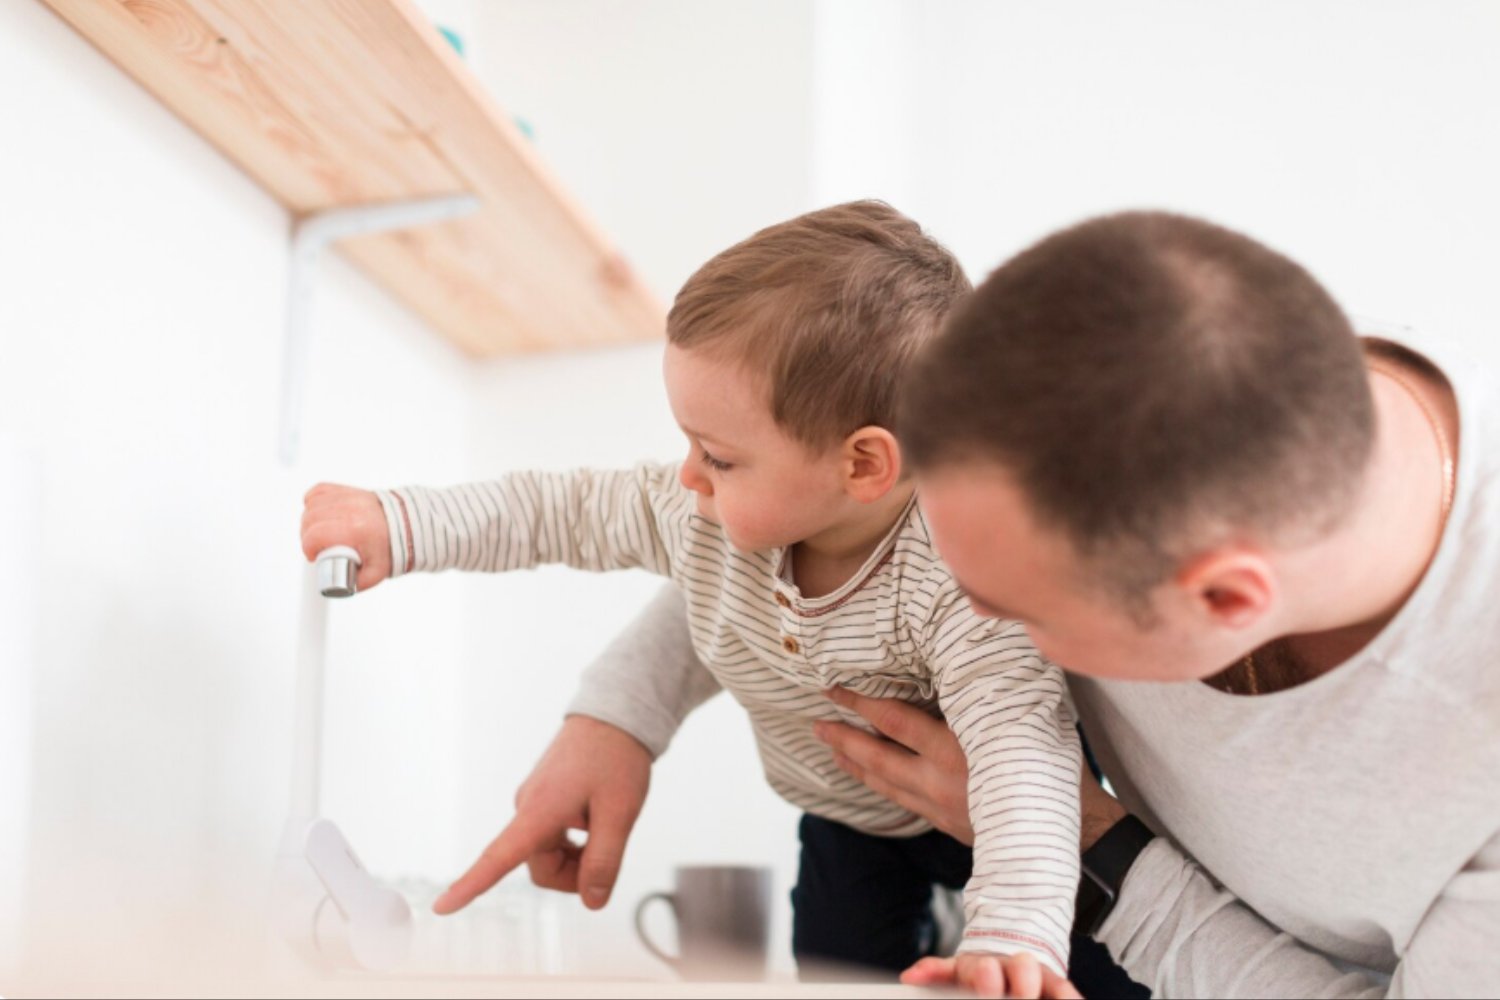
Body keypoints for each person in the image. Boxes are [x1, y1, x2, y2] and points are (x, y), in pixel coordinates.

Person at [456, 211, 1499, 998]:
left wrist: (1091, 847)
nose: (965, 613)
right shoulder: (1156, 379)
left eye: (1006, 605)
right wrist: (620, 713)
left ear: (1222, 599)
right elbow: (825, 549)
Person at [300, 202, 1092, 996]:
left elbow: (1023, 752)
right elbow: (557, 510)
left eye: (717, 456)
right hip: (849, 823)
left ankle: (986, 925)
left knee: (1069, 972)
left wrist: (1014, 928)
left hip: (1008, 821)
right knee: (832, 972)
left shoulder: (963, 577)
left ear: (862, 466)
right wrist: (400, 523)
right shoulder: (706, 521)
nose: (687, 475)